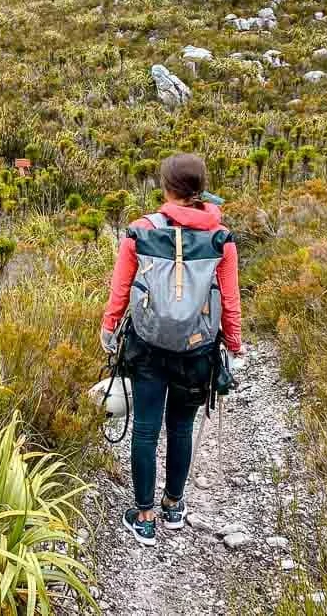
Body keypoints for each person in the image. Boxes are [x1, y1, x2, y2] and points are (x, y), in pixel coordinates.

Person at [100, 153, 242, 546]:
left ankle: (143, 517)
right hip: (197, 350)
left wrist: (109, 327)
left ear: (165, 187)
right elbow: (229, 300)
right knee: (181, 427)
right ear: (200, 189)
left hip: (147, 345)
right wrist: (233, 342)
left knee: (145, 429)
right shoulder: (220, 238)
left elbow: (121, 289)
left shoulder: (139, 232)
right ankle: (174, 506)